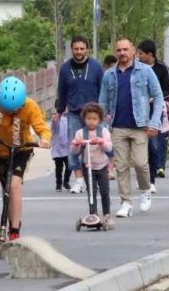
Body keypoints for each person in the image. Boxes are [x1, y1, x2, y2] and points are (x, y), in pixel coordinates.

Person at [0, 77, 51, 240]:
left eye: (14, 111)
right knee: (6, 190)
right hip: (3, 150)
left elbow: (42, 128)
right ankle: (9, 222)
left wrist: (44, 139)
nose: (9, 113)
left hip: (22, 150)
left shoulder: (30, 106)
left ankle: (15, 229)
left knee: (14, 185)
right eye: (5, 110)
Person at [99, 38, 164, 218]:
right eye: (119, 50)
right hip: (117, 127)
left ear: (133, 51)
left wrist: (154, 123)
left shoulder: (145, 71)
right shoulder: (109, 75)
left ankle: (145, 190)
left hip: (140, 126)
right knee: (121, 166)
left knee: (140, 163)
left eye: (126, 49)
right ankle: (126, 202)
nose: (122, 53)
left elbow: (158, 97)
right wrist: (103, 126)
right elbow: (102, 103)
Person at [53, 35, 104, 194]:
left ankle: (96, 178)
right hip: (74, 114)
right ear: (72, 50)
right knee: (74, 147)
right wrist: (59, 111)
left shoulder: (96, 67)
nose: (79, 52)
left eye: (82, 48)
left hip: (95, 114)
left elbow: (102, 89)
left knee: (97, 146)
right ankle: (79, 180)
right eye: (76, 49)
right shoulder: (65, 68)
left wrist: (105, 111)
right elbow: (61, 91)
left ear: (86, 49)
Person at [136, 39, 169, 192]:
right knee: (138, 146)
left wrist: (155, 97)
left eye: (141, 54)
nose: (138, 56)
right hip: (138, 111)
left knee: (153, 145)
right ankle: (141, 178)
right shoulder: (136, 68)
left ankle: (151, 180)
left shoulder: (162, 69)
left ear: (150, 55)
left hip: (154, 111)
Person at [71, 102, 114, 229]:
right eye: (88, 119)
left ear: (99, 119)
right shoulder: (80, 133)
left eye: (94, 119)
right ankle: (93, 214)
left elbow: (109, 147)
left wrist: (101, 142)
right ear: (84, 119)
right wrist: (76, 144)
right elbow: (74, 152)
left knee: (105, 191)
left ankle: (107, 215)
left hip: (102, 166)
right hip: (87, 166)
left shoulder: (104, 132)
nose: (91, 122)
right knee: (91, 191)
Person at [50, 108, 71, 192]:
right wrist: (55, 119)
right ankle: (58, 184)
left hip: (68, 146)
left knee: (69, 165)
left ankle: (66, 181)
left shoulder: (70, 118)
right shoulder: (55, 118)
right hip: (57, 147)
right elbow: (53, 126)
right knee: (59, 167)